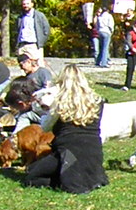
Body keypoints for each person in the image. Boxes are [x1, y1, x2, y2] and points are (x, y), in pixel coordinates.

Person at [22, 65, 107, 194]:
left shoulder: (59, 102)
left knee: (32, 175)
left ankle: (59, 181)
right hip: (94, 150)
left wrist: (42, 108)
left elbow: (45, 127)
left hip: (68, 152)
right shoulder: (97, 101)